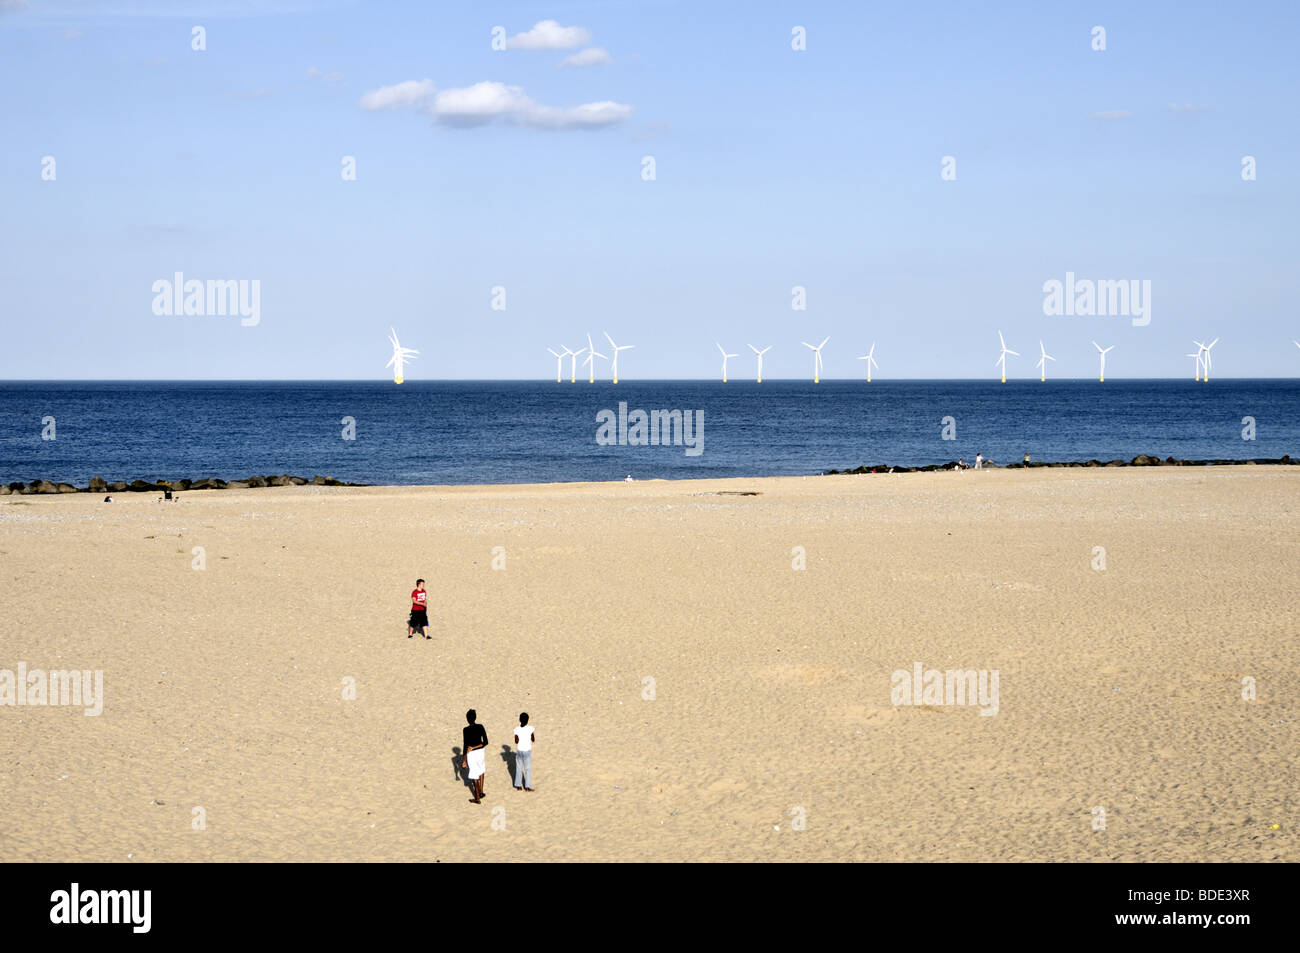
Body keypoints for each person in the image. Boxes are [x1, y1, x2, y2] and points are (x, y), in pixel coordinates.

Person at [461, 709, 488, 803]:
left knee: (474, 774)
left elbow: (465, 746)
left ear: (467, 719)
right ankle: (481, 791)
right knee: (481, 770)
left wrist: (463, 760)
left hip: (471, 754)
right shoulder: (480, 727)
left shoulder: (465, 730)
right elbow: (485, 742)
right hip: (481, 752)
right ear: (475, 717)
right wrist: (476, 746)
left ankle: (477, 798)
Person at [514, 713, 535, 792]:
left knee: (519, 768)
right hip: (527, 751)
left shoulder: (516, 729)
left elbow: (516, 741)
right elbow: (533, 739)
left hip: (519, 751)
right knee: (527, 769)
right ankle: (527, 787)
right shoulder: (530, 728)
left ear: (519, 719)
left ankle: (519, 786)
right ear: (527, 720)